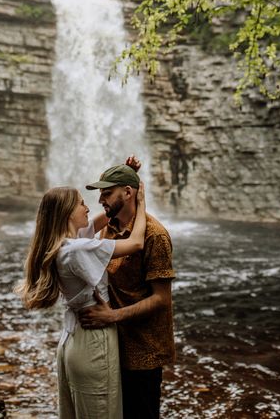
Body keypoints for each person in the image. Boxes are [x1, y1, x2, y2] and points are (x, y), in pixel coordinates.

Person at [16, 181, 146, 419]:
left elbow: (106, 217)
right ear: (67, 213)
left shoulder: (62, 246)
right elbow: (137, 242)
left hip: (71, 340)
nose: (88, 208)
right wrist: (140, 200)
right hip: (94, 340)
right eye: (82, 204)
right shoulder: (78, 249)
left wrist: (124, 185)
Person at [78, 157, 175, 419]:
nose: (101, 201)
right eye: (101, 194)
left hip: (144, 349)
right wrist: (127, 175)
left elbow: (161, 299)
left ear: (129, 193)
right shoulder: (108, 226)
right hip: (112, 343)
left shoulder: (154, 235)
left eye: (107, 193)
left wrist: (112, 316)